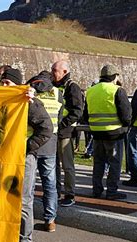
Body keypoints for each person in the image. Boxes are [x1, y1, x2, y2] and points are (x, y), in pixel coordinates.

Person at [1, 69, 53, 242]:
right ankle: (8, 237)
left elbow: (46, 129)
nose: (3, 86)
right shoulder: (4, 101)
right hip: (5, 157)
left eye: (7, 82)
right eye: (2, 82)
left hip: (24, 158)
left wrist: (25, 147)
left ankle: (25, 241)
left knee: (23, 201)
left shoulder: (30, 103)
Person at [85, 65, 131, 200]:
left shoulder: (91, 91)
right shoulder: (117, 90)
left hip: (97, 132)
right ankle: (111, 191)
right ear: (115, 76)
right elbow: (126, 114)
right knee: (114, 163)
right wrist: (126, 126)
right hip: (114, 133)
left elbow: (85, 113)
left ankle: (96, 190)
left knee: (98, 162)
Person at [27, 70, 63, 232]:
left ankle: (28, 219)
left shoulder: (29, 90)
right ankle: (50, 220)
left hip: (31, 143)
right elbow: (60, 116)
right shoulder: (58, 93)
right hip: (50, 142)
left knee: (30, 185)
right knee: (50, 184)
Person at [51, 60, 84, 207]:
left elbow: (77, 111)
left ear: (64, 71)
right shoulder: (53, 86)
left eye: (55, 70)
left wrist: (61, 124)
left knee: (67, 165)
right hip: (53, 132)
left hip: (64, 132)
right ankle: (55, 192)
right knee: (53, 165)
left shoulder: (72, 87)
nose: (52, 73)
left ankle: (70, 194)